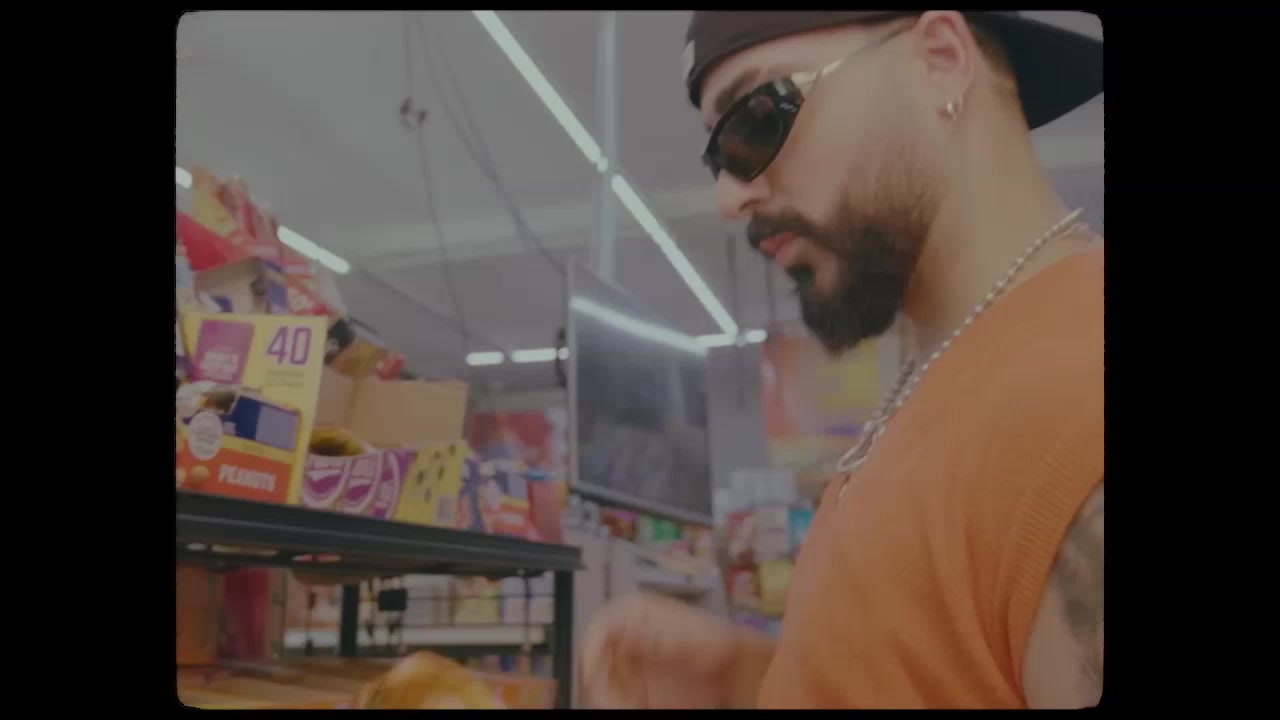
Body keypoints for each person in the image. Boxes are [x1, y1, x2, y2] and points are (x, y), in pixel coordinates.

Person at [581, 10, 1103, 709]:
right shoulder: (942, 381)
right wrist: (745, 677)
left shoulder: (1079, 398)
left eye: (756, 117)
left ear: (941, 60)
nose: (729, 197)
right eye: (719, 155)